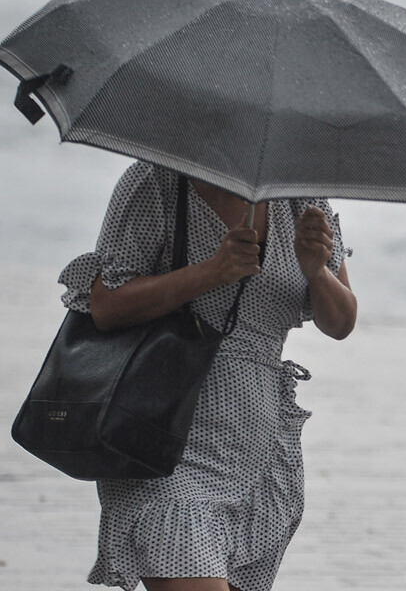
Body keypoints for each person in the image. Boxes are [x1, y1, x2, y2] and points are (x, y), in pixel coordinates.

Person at [58, 161, 358, 591]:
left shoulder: (304, 202)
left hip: (260, 451)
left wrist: (317, 271)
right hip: (165, 442)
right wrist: (213, 271)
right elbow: (105, 305)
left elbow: (341, 322)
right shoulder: (156, 181)